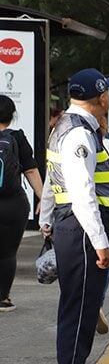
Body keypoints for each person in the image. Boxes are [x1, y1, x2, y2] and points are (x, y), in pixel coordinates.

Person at [45, 68, 109, 364]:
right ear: (101, 97)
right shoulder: (79, 135)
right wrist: (101, 243)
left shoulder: (65, 126)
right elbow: (82, 195)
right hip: (80, 232)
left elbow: (51, 182)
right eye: (108, 93)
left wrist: (46, 219)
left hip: (71, 230)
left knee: (82, 313)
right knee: (78, 316)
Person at [41, 114, 109, 335]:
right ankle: (95, 304)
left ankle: (78, 306)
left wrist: (45, 217)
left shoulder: (62, 139)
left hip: (69, 217)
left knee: (71, 265)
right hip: (105, 216)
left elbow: (50, 181)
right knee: (102, 264)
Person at [0, 94, 44, 313]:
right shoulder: (16, 137)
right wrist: (44, 200)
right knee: (7, 253)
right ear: (12, 116)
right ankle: (3, 299)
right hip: (13, 205)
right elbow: (31, 170)